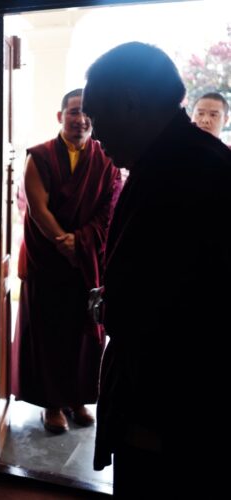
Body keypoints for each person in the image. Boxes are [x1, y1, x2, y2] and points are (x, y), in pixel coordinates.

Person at [83, 42, 231, 497]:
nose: (95, 135)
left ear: (130, 102)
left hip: (174, 408)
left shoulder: (194, 171)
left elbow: (193, 308)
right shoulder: (172, 161)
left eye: (97, 118)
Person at [11, 89, 122, 434]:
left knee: (84, 334)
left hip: (87, 261)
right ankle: (51, 404)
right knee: (49, 332)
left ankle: (78, 399)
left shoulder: (105, 158)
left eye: (87, 113)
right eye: (74, 112)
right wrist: (64, 241)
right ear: (60, 116)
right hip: (47, 259)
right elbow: (37, 207)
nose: (82, 119)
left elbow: (111, 207)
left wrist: (82, 241)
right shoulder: (41, 156)